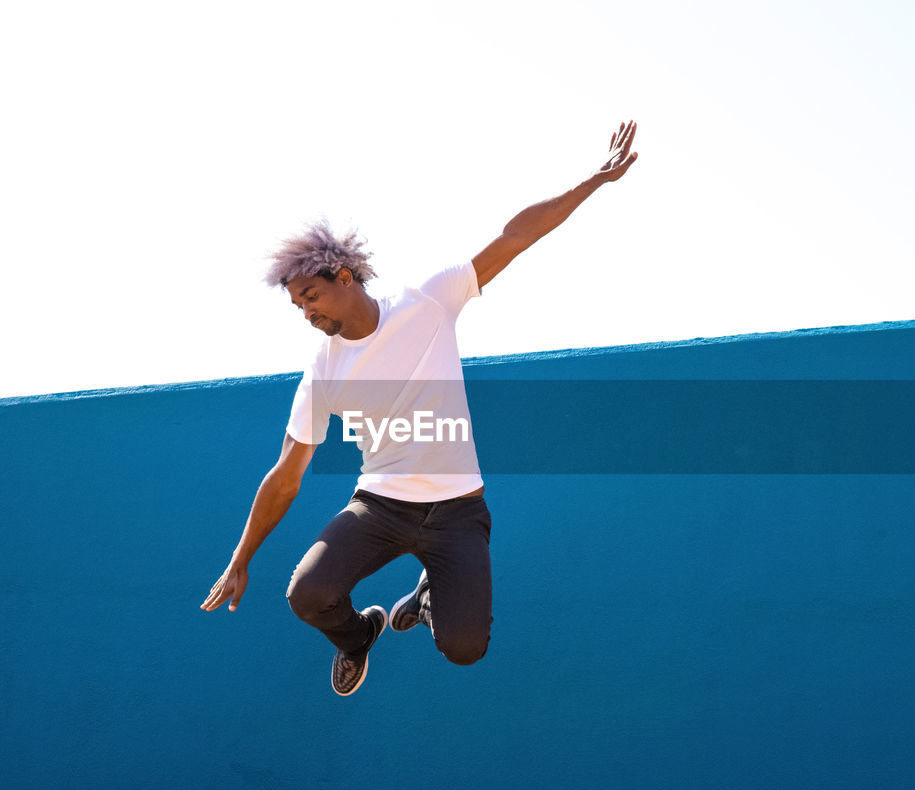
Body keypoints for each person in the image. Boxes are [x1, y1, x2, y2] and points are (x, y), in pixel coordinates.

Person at [201, 120, 639, 695]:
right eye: (297, 305)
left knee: (465, 650)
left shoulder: (427, 302)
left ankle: (430, 595)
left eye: (311, 295)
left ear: (345, 276)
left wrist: (593, 181)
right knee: (307, 594)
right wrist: (240, 558)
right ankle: (358, 636)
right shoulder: (323, 370)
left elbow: (515, 237)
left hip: (459, 512)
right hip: (379, 508)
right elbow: (286, 476)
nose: (306, 312)